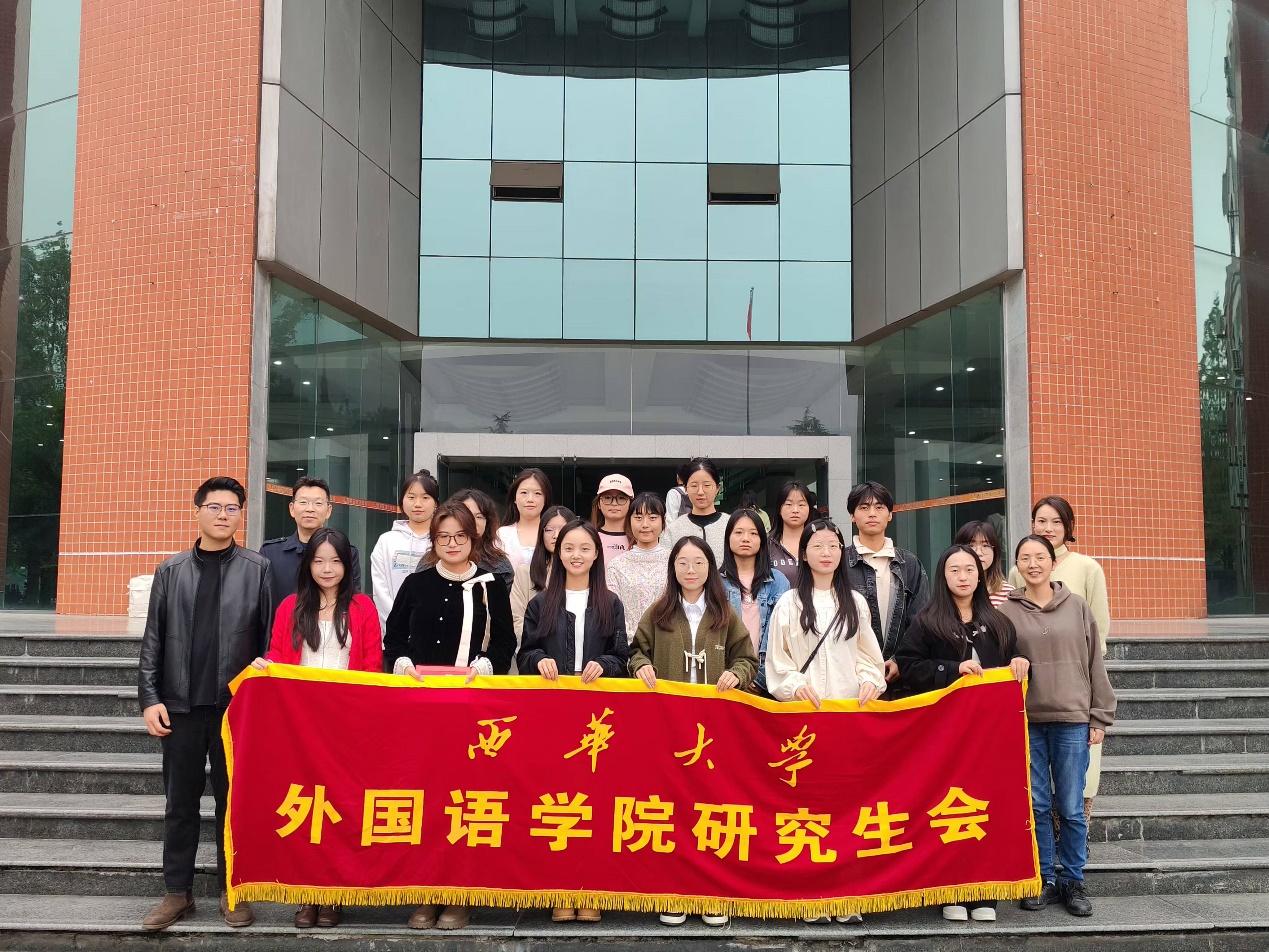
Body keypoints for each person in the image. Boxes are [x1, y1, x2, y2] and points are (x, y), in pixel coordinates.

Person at [138, 477, 274, 931]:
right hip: (179, 707)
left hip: (234, 708)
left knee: (233, 804)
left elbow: (268, 643)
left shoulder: (257, 569)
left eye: (232, 508)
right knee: (180, 803)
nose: (222, 515)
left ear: (240, 516)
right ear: (197, 511)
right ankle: (177, 892)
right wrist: (150, 698)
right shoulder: (170, 570)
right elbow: (153, 641)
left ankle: (232, 890)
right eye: (214, 507)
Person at [385, 502, 516, 931]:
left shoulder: (490, 585)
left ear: (473, 539)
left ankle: (461, 894)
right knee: (425, 801)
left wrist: (485, 665)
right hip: (421, 711)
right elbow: (393, 638)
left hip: (470, 711)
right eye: (443, 537)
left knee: (464, 802)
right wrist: (403, 662)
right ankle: (426, 890)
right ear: (433, 540)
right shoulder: (416, 583)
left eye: (460, 536)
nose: (452, 543)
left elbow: (505, 642)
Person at [249, 528, 381, 929]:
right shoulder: (291, 606)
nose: (327, 569)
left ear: (347, 565)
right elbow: (278, 654)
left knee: (339, 809)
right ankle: (306, 893)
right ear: (307, 564)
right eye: (319, 560)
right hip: (302, 726)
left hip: (346, 725)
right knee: (307, 809)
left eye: (335, 561)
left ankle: (334, 894)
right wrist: (265, 666)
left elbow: (372, 667)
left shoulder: (362, 607)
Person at [893, 543, 1030, 923]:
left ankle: (985, 891)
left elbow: (1016, 659)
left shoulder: (999, 622)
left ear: (980, 575)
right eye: (954, 570)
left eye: (969, 569)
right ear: (943, 576)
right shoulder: (928, 621)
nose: (963, 576)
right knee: (949, 808)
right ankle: (951, 889)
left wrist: (1022, 661)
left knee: (986, 809)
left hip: (989, 739)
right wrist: (952, 670)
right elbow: (908, 665)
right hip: (945, 736)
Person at [629, 535, 756, 929]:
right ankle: (674, 890)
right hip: (669, 728)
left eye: (698, 563)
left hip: (715, 731)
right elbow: (635, 650)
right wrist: (641, 666)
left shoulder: (724, 614)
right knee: (672, 808)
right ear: (672, 568)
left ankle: (712, 891)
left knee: (712, 807)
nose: (690, 570)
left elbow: (747, 658)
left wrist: (736, 674)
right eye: (682, 563)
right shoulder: (659, 613)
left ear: (710, 568)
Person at [764, 517, 882, 926]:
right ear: (805, 553)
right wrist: (795, 686)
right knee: (806, 810)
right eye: (818, 546)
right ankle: (810, 893)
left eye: (833, 545)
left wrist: (869, 681)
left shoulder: (856, 603)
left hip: (848, 720)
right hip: (804, 722)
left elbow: (869, 656)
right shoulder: (788, 604)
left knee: (848, 807)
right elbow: (777, 661)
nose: (826, 553)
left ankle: (847, 893)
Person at [1000, 535, 1116, 919]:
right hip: (1027, 722)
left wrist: (1100, 714)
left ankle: (1073, 880)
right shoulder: (1007, 611)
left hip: (1072, 719)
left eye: (1040, 557)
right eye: (1025, 558)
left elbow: (1094, 662)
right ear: (1017, 566)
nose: (1033, 564)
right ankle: (1044, 877)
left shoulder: (1077, 606)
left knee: (1070, 805)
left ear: (1053, 563)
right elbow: (998, 661)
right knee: (1036, 804)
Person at [519, 519, 628, 924]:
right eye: (569, 548)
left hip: (597, 723)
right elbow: (524, 653)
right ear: (557, 553)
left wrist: (605, 664)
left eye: (585, 548)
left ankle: (591, 889)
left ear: (597, 554)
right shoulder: (540, 603)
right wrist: (538, 661)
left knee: (595, 805)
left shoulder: (611, 603)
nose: (576, 555)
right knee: (557, 805)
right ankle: (560, 888)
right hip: (554, 718)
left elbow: (622, 656)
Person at [1007, 495, 1111, 818]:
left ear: (1068, 527)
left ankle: (1080, 833)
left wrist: (1091, 693)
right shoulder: (1019, 570)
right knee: (1036, 791)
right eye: (1041, 521)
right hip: (1034, 693)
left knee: (1077, 786)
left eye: (1056, 522)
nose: (1048, 528)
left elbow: (1098, 633)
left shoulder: (1087, 568)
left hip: (1075, 689)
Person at [843, 481, 929, 691]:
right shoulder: (840, 563)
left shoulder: (909, 563)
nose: (872, 513)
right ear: (852, 516)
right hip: (851, 677)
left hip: (901, 678)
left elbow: (921, 619)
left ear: (890, 514)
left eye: (879, 507)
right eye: (864, 507)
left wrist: (900, 659)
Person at [718, 508, 789, 695]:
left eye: (753, 533)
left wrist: (758, 678)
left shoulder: (779, 581)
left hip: (768, 681)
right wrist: (739, 673)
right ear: (728, 538)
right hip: (726, 680)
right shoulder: (715, 582)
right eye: (738, 532)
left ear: (762, 540)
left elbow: (783, 637)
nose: (745, 538)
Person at [260, 476, 362, 600]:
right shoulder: (270, 553)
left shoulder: (347, 552)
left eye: (318, 503)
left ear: (328, 510)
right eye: (303, 502)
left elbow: (353, 600)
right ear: (292, 509)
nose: (310, 509)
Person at [369, 471, 439, 631]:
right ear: (402, 501)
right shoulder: (386, 541)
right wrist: (396, 624)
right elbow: (380, 591)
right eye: (411, 497)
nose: (418, 504)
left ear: (436, 503)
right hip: (394, 632)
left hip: (434, 631)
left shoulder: (443, 540)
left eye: (425, 497)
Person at [606, 492, 670, 644]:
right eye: (638, 518)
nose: (645, 524)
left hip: (667, 643)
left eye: (652, 518)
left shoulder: (675, 562)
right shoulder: (616, 566)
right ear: (629, 521)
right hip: (628, 646)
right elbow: (613, 611)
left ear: (663, 521)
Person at [509, 505, 574, 642]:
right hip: (534, 649)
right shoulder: (525, 573)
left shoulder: (585, 574)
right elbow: (516, 619)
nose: (556, 535)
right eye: (549, 529)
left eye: (563, 529)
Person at [660, 457, 727, 564]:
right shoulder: (672, 530)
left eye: (707, 485)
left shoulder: (731, 525)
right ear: (686, 489)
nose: (700, 492)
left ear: (717, 489)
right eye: (694, 486)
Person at [450, 488, 515, 594]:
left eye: (479, 517)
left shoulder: (499, 564)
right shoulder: (432, 561)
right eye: (466, 515)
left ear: (487, 522)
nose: (473, 522)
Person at [496, 468, 552, 569]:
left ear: (545, 499)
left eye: (537, 493)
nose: (530, 499)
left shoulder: (555, 533)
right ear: (514, 498)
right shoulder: (502, 534)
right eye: (524, 493)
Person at [954, 520, 1014, 607]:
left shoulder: (1008, 594)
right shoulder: (950, 590)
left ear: (995, 551)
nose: (978, 553)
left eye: (985, 546)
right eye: (971, 545)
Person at [769, 480, 814, 586]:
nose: (795, 510)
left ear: (809, 509)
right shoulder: (767, 544)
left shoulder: (819, 543)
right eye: (789, 504)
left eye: (801, 505)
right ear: (779, 509)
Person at [591, 473, 634, 565]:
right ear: (599, 504)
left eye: (621, 498)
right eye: (607, 497)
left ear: (630, 504)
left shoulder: (639, 538)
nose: (614, 503)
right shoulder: (589, 536)